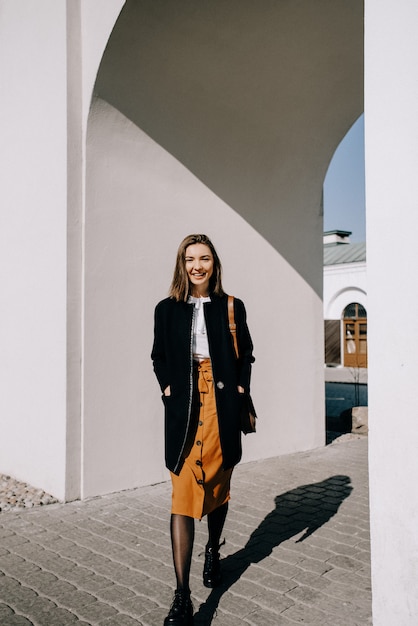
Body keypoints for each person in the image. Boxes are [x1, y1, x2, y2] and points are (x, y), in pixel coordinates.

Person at [151, 234, 255, 626]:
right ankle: (182, 596)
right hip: (184, 404)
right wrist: (166, 386)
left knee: (217, 480)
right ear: (182, 263)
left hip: (220, 402)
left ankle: (213, 547)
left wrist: (241, 386)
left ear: (214, 263)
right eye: (191, 259)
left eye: (204, 258)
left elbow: (246, 351)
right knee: (182, 490)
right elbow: (158, 354)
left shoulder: (231, 305)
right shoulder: (166, 309)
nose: (197, 266)